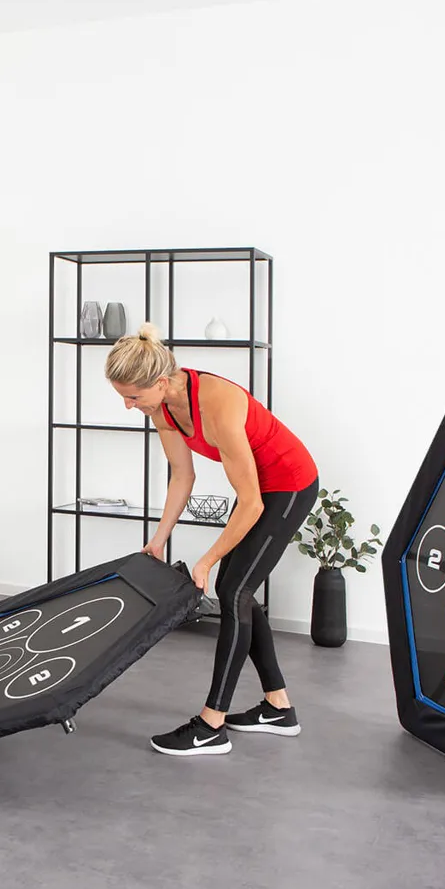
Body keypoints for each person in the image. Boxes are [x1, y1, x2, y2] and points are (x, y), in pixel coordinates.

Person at [104, 324, 321, 757]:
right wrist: (159, 539)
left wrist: (206, 560)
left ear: (160, 382)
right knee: (236, 590)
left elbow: (252, 503)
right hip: (260, 488)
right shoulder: (161, 408)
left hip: (290, 484)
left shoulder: (218, 402)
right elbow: (182, 476)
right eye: (124, 397)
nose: (129, 406)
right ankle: (278, 708)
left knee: (234, 590)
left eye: (133, 396)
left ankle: (211, 726)